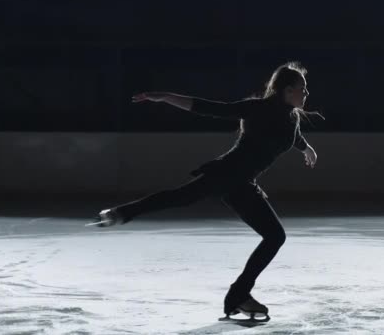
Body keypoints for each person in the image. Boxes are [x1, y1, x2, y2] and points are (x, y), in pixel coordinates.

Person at [95, 61, 323, 319]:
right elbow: (209, 108)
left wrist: (307, 149)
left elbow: (293, 136)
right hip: (227, 174)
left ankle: (238, 296)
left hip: (243, 184)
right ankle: (119, 214)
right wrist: (166, 97)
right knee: (178, 198)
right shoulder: (257, 108)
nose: (306, 94)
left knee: (275, 237)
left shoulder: (292, 118)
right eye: (302, 88)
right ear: (287, 90)